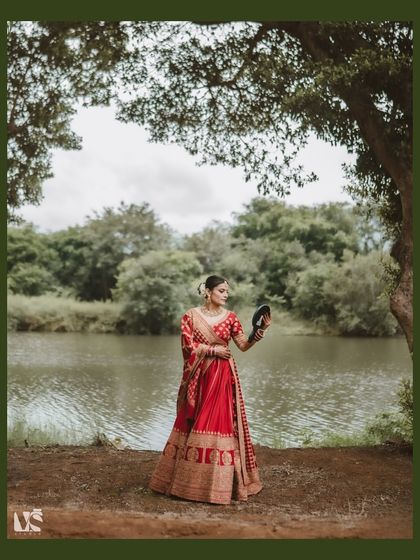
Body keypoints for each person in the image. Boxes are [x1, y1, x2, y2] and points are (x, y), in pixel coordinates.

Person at [149, 275, 271, 505]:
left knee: (219, 424)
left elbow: (243, 346)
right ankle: (186, 484)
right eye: (222, 290)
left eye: (227, 291)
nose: (226, 294)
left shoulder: (231, 318)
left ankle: (220, 485)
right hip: (200, 377)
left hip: (223, 378)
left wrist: (259, 331)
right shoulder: (191, 316)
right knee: (197, 421)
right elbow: (188, 347)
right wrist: (213, 351)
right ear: (208, 291)